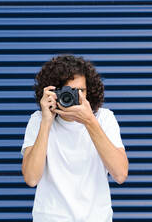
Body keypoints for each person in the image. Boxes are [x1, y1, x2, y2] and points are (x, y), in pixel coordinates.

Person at [20, 54, 128, 222]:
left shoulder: (103, 118)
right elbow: (31, 178)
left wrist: (89, 121)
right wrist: (47, 121)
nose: (74, 97)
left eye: (81, 91)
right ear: (53, 91)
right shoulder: (38, 120)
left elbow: (120, 174)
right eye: (67, 91)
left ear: (89, 91)